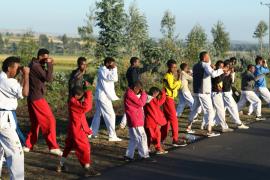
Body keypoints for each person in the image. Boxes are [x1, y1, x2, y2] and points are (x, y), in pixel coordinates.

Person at [24, 48, 62, 156]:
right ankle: (53, 147)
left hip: (32, 97)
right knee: (50, 120)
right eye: (45, 57)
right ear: (40, 56)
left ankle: (28, 145)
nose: (46, 59)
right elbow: (48, 78)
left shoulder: (34, 64)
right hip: (37, 98)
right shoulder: (36, 66)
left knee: (35, 123)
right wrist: (50, 65)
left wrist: (46, 64)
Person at [57, 86, 100, 177]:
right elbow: (87, 107)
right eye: (80, 96)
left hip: (73, 128)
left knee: (68, 147)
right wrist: (88, 92)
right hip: (77, 130)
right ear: (76, 95)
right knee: (85, 148)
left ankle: (60, 165)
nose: (82, 97)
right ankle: (87, 168)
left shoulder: (73, 101)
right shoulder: (73, 102)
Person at [0, 56, 30, 180]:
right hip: (4, 120)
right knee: (17, 152)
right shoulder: (7, 81)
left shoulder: (3, 79)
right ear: (9, 68)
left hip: (2, 117)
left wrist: (21, 75)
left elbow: (18, 91)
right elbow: (25, 93)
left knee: (1, 152)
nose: (18, 71)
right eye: (17, 68)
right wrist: (26, 75)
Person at [187, 51, 226, 137]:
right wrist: (222, 70)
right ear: (204, 58)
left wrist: (211, 67)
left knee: (194, 110)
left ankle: (188, 127)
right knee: (210, 111)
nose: (209, 58)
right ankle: (209, 131)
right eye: (208, 57)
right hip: (204, 92)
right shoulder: (205, 65)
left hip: (197, 91)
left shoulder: (195, 65)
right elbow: (213, 74)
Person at [91, 57, 122, 141]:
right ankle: (112, 136)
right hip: (103, 97)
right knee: (111, 115)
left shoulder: (104, 70)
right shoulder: (103, 70)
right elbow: (114, 78)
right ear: (108, 63)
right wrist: (115, 68)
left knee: (98, 114)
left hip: (100, 96)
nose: (114, 65)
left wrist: (113, 68)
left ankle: (92, 133)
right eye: (112, 63)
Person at [124, 81, 154, 162]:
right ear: (135, 88)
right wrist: (144, 94)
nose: (140, 91)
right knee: (142, 137)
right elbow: (140, 103)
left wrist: (142, 94)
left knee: (134, 139)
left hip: (134, 119)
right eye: (139, 90)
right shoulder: (130, 94)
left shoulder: (130, 93)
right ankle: (144, 155)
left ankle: (128, 155)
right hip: (135, 119)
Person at [120, 57, 152, 129]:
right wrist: (138, 90)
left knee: (131, 107)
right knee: (138, 106)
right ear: (134, 62)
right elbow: (135, 82)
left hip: (133, 90)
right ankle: (124, 123)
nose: (139, 63)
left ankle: (123, 124)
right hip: (134, 91)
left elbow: (141, 70)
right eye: (138, 62)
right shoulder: (133, 70)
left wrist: (150, 66)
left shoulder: (131, 69)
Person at [161, 59, 187, 147]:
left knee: (167, 120)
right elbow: (172, 87)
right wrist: (179, 78)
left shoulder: (171, 75)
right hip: (168, 99)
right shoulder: (168, 76)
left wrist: (178, 79)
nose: (175, 69)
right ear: (169, 67)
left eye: (176, 67)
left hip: (170, 99)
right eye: (173, 67)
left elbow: (177, 86)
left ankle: (161, 138)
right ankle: (175, 140)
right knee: (174, 120)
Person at [222, 60, 249, 129]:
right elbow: (223, 80)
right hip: (225, 92)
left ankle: (210, 122)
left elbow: (232, 82)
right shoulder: (223, 71)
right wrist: (228, 73)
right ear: (227, 65)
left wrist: (232, 73)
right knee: (233, 107)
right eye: (231, 65)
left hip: (226, 92)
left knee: (221, 109)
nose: (232, 67)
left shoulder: (229, 72)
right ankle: (238, 123)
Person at [211, 60, 233, 133]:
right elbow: (218, 80)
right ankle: (224, 127)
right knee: (220, 110)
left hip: (217, 93)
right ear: (217, 66)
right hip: (216, 93)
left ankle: (207, 124)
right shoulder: (216, 73)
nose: (221, 68)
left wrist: (226, 73)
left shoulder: (218, 72)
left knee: (213, 110)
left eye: (222, 66)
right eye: (220, 66)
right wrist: (224, 73)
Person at [144, 87, 168, 155]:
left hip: (147, 120)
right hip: (153, 121)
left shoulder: (146, 98)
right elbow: (159, 103)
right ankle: (158, 149)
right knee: (157, 135)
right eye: (157, 94)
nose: (157, 96)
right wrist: (164, 94)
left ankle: (146, 148)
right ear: (154, 93)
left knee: (148, 136)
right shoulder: (152, 100)